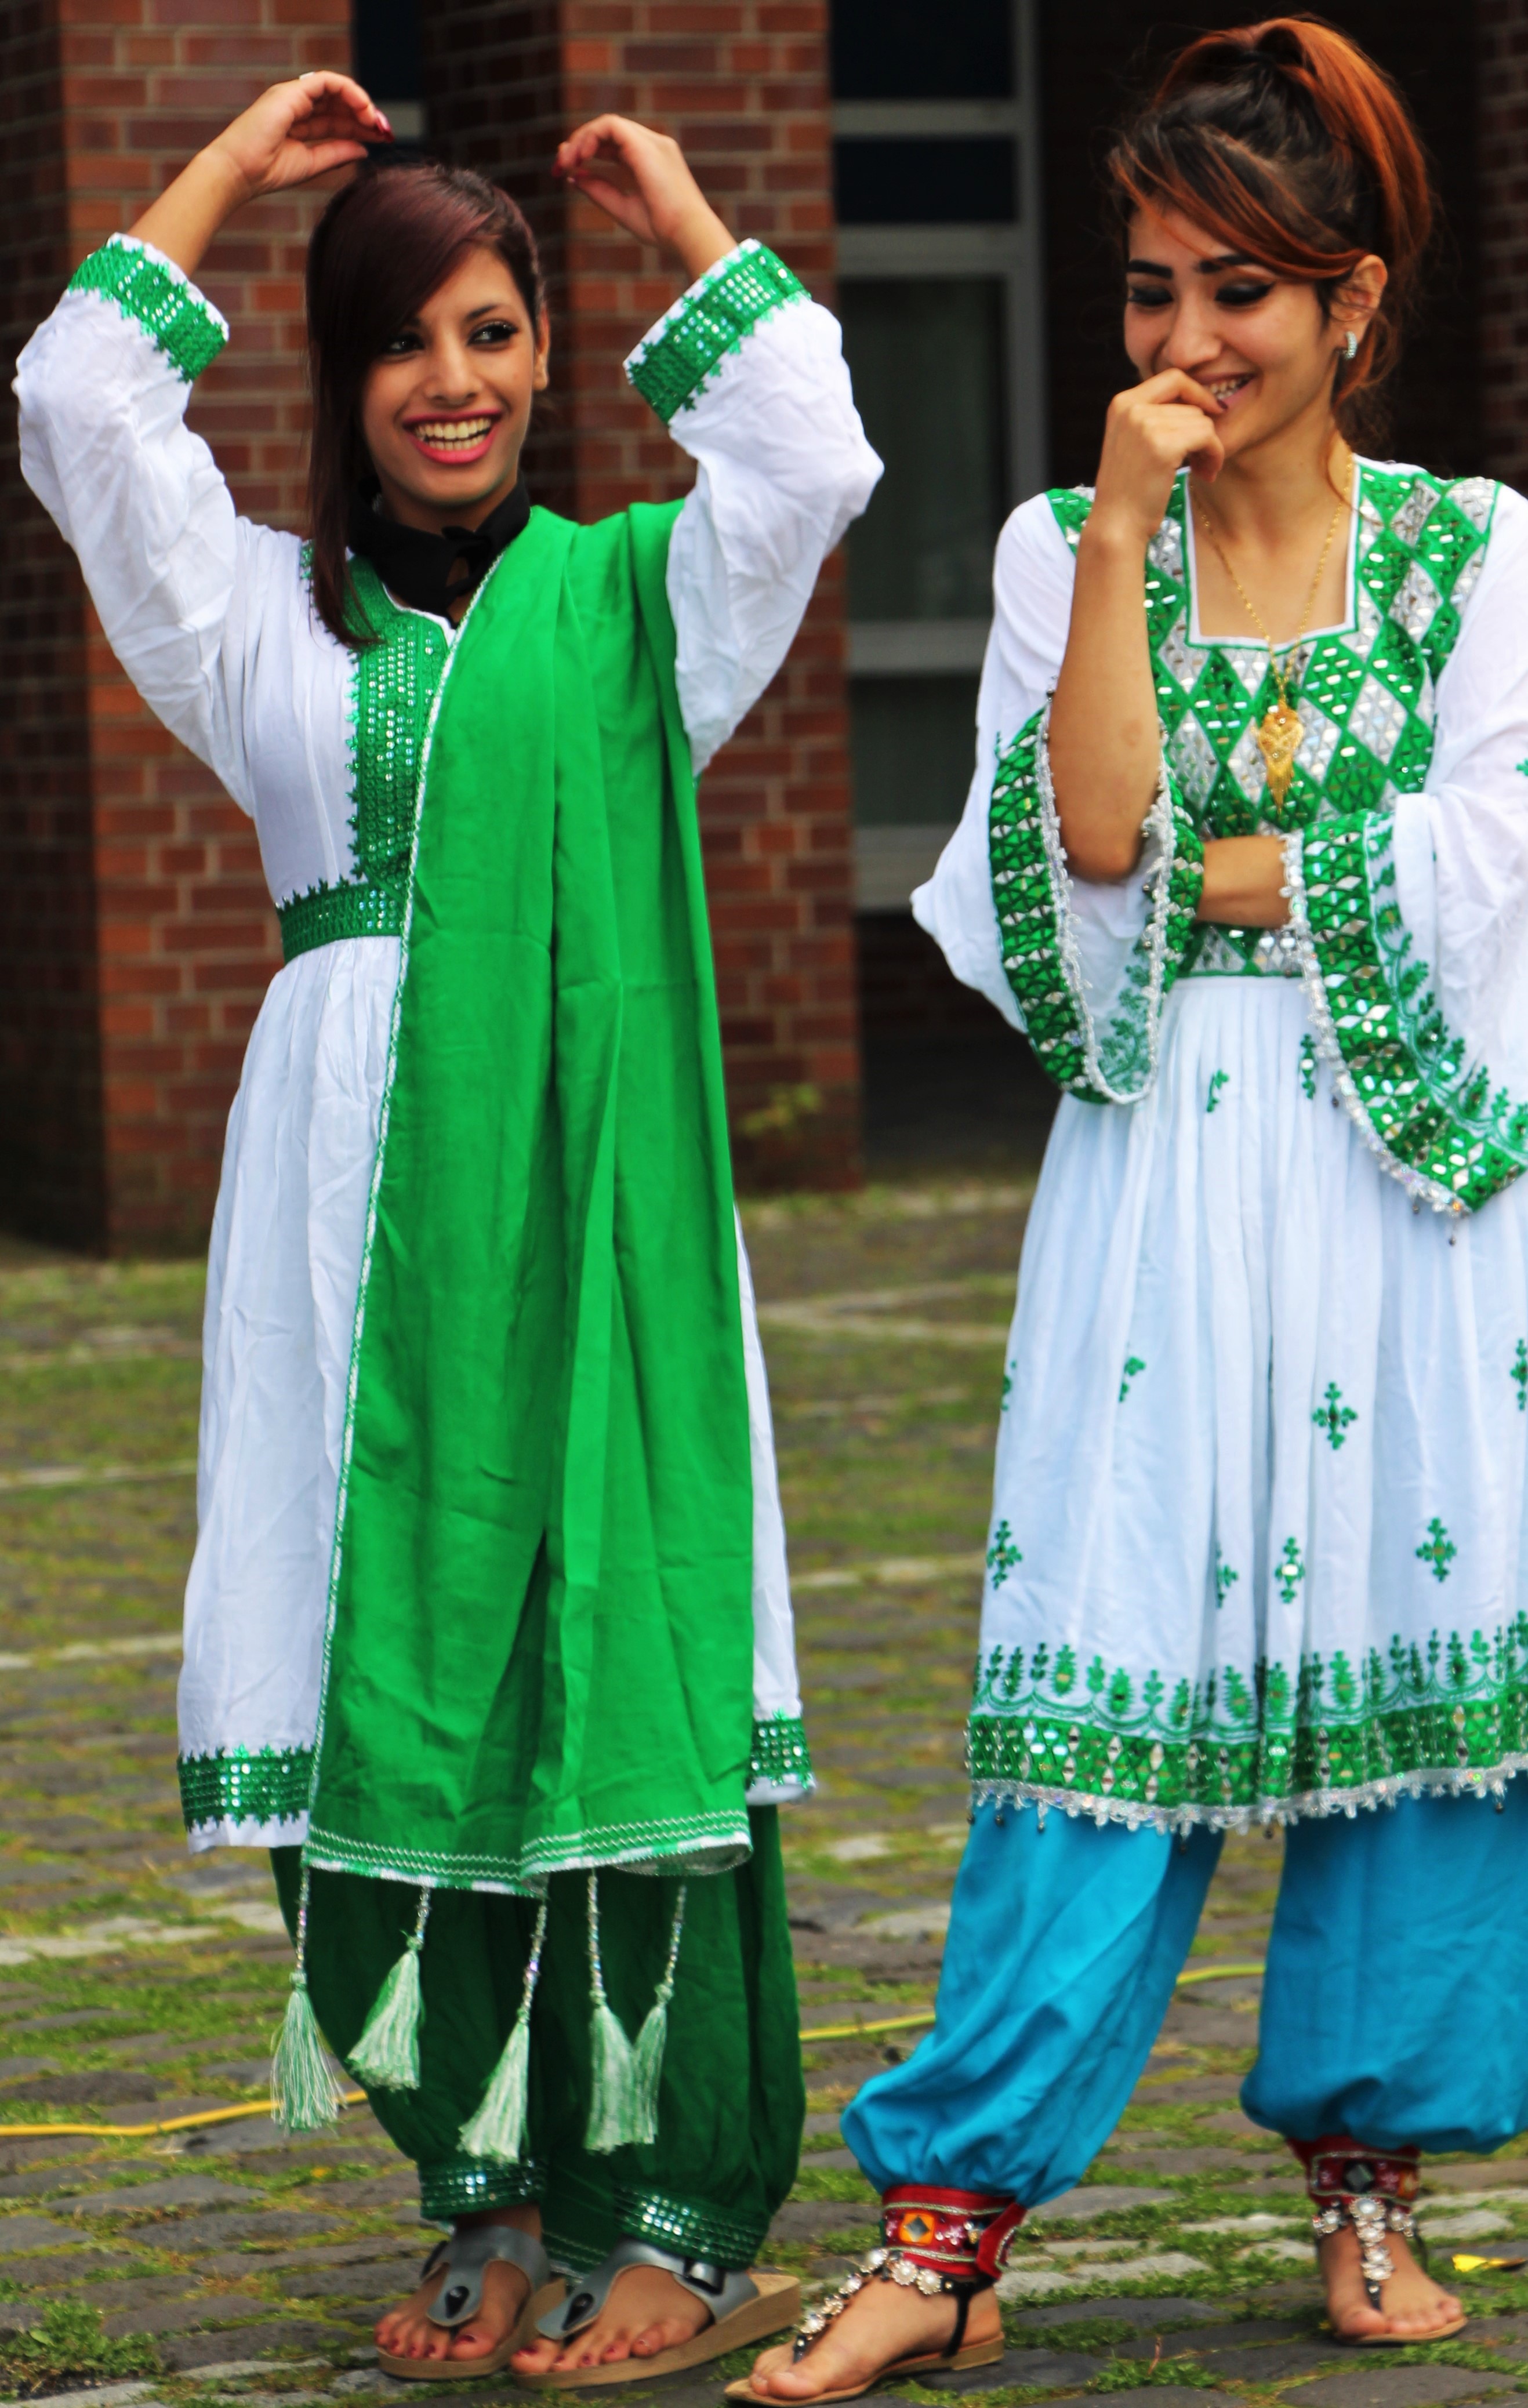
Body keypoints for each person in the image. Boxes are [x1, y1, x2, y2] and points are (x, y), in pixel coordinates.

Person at [17, 71, 880, 2386]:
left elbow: (807, 456)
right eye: (402, 337)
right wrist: (230, 169)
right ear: (343, 373)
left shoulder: (635, 615)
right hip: (336, 1236)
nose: (453, 378)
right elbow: (79, 407)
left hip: (588, 1218)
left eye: (493, 327)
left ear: (545, 347)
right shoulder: (256, 631)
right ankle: (479, 2178)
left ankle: (677, 2204)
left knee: (612, 1641)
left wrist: (675, 203)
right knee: (362, 1654)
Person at [741, 19, 1528, 2399]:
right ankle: (948, 2226)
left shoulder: (1479, 555)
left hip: (1401, 1192)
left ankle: (1370, 2182)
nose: (1185, 339)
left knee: (1415, 1690)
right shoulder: (1054, 548)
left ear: (1350, 301)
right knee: (1101, 1660)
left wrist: (1238, 872)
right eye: (1148, 285)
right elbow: (1082, 849)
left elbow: (1494, 860)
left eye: (1239, 289)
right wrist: (1109, 538)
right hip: (1159, 1177)